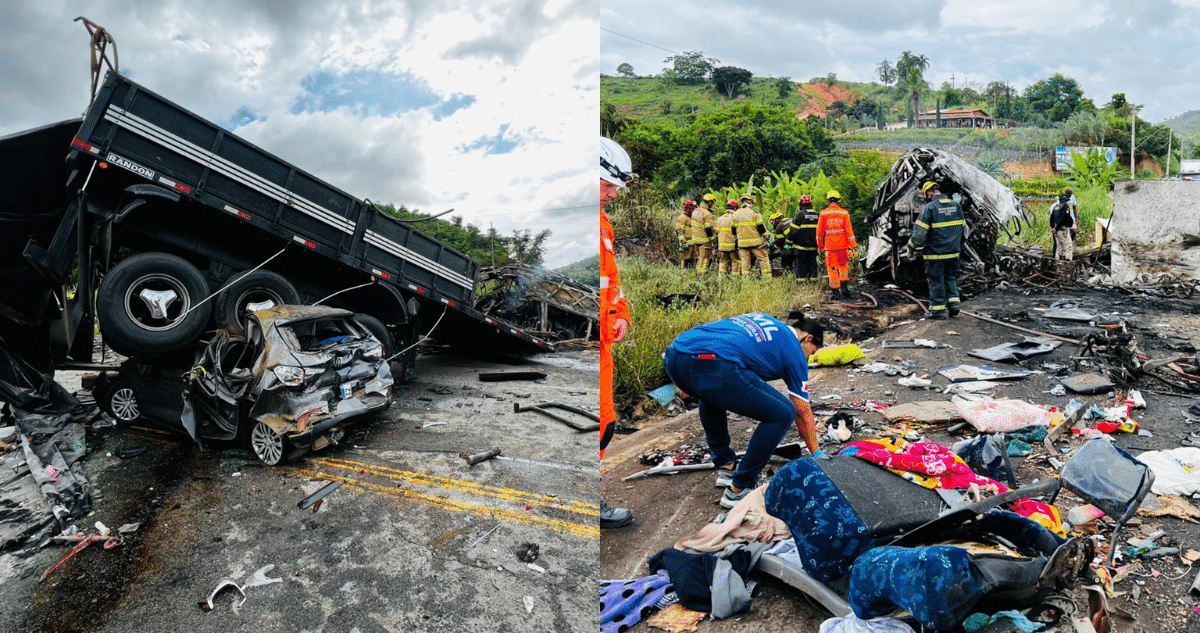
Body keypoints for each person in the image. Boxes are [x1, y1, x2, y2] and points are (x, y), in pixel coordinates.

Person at [664, 313, 825, 508]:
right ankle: (739, 489)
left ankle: (725, 466)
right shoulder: (794, 351)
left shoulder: (767, 320)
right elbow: (802, 411)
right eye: (812, 352)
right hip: (713, 361)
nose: (808, 358)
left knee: (710, 393)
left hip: (675, 354)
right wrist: (816, 453)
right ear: (808, 339)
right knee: (783, 413)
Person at [599, 136, 634, 529]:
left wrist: (621, 313)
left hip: (605, 342)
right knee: (602, 422)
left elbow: (612, 279)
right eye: (608, 185)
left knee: (606, 422)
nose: (612, 194)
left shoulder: (603, 222)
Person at [908, 181, 965, 319]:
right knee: (950, 278)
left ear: (929, 193)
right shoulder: (955, 205)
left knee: (936, 280)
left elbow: (919, 234)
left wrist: (911, 246)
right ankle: (954, 306)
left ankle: (938, 311)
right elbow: (963, 229)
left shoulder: (930, 208)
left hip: (936, 254)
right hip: (953, 252)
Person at [816, 190, 856, 296]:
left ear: (828, 200)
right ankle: (845, 289)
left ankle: (835, 292)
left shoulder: (823, 213)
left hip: (830, 247)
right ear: (838, 200)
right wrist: (853, 246)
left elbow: (819, 233)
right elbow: (849, 231)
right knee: (843, 266)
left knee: (832, 268)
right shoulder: (844, 213)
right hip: (843, 246)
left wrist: (820, 245)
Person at [782, 194, 820, 281]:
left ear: (801, 204)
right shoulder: (817, 215)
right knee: (812, 265)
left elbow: (793, 231)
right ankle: (813, 282)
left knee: (800, 266)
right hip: (813, 247)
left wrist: (788, 242)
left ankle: (801, 283)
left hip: (801, 247)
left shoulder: (799, 215)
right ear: (811, 203)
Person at [732, 194, 770, 277]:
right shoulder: (754, 212)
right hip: (756, 242)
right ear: (749, 201)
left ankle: (746, 281)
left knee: (745, 262)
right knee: (763, 259)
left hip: (742, 243)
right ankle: (767, 280)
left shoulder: (735, 213)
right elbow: (760, 227)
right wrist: (766, 236)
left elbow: (733, 230)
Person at [690, 194, 717, 273]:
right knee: (705, 258)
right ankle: (701, 275)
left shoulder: (696, 211)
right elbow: (708, 228)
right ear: (710, 202)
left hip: (695, 238)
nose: (713, 204)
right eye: (712, 202)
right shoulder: (707, 214)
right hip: (704, 240)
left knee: (699, 258)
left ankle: (697, 272)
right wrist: (713, 238)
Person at [714, 200, 740, 277]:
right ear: (735, 208)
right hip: (732, 245)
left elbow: (717, 232)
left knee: (723, 262)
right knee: (736, 262)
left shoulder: (720, 218)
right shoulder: (735, 218)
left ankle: (721, 279)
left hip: (722, 246)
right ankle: (735, 280)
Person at [1050, 191, 1078, 261]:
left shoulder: (1056, 207)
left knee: (1059, 247)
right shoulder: (1065, 207)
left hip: (1056, 229)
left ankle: (1057, 261)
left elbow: (1051, 219)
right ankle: (1068, 262)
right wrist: (1056, 228)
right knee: (1068, 246)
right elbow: (1063, 219)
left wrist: (1054, 228)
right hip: (1063, 229)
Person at [675, 200, 696, 268]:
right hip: (686, 244)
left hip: (694, 244)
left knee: (694, 261)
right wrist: (683, 242)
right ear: (688, 208)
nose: (694, 210)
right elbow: (679, 231)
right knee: (684, 261)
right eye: (693, 209)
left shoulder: (692, 218)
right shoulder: (682, 218)